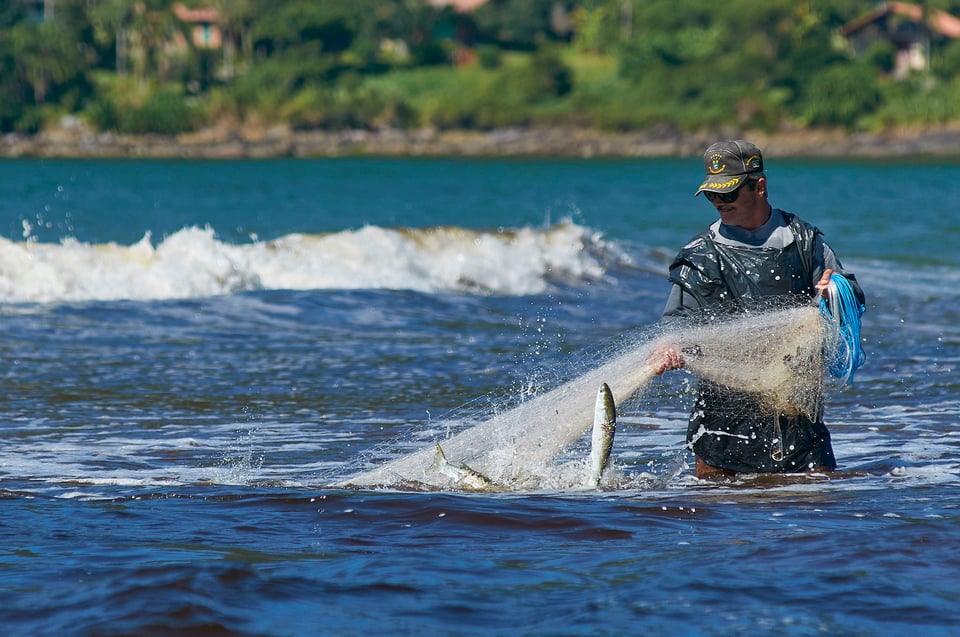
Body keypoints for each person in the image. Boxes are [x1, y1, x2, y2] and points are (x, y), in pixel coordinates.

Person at [655, 140, 865, 479]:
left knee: (821, 515)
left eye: (729, 193)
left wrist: (834, 292)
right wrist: (671, 349)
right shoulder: (699, 255)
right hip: (721, 430)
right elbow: (676, 324)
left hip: (800, 423)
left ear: (760, 187)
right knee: (723, 522)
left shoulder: (805, 242)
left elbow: (849, 298)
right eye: (712, 195)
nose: (719, 203)